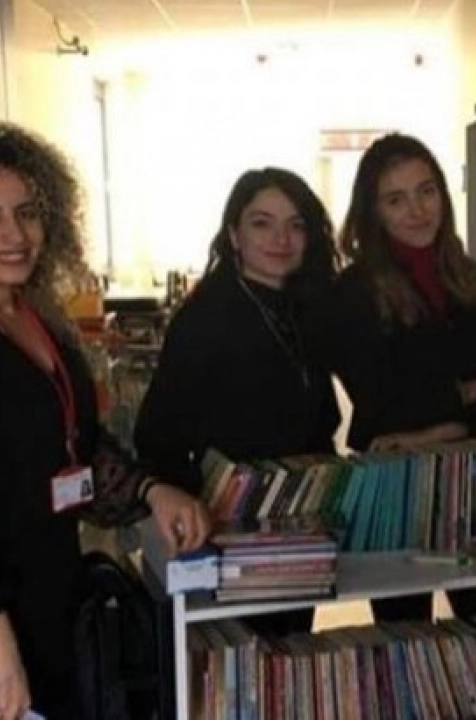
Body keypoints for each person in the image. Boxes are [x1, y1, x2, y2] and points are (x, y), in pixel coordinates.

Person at [0, 124, 209, 720]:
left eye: (27, 213)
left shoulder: (39, 323)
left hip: (49, 615)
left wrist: (152, 491)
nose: (14, 234)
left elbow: (77, 452)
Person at [311, 133, 476, 622]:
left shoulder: (475, 280)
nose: (417, 210)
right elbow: (381, 401)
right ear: (374, 212)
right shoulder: (351, 294)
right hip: (394, 484)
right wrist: (468, 391)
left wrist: (436, 428)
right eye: (396, 199)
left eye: (426, 191)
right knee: (404, 635)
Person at [132, 167, 341, 636]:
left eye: (295, 225)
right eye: (262, 223)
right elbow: (158, 434)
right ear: (234, 235)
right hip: (228, 531)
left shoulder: (307, 308)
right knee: (243, 655)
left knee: (289, 649)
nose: (280, 239)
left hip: (299, 523)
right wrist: (194, 523)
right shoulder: (204, 317)